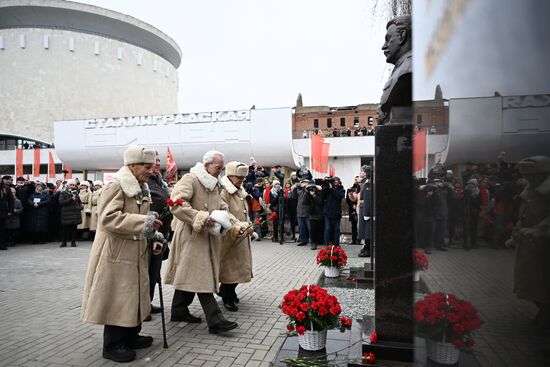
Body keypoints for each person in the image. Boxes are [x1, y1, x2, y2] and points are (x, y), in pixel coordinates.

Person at [81, 146, 165, 363]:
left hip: (135, 250)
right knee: (117, 296)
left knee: (133, 294)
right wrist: (144, 223)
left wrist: (153, 235)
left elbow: (143, 221)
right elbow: (108, 219)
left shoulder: (140, 186)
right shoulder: (116, 186)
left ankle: (130, 335)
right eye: (147, 167)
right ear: (133, 165)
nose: (152, 171)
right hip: (116, 252)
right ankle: (112, 345)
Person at [165, 150, 246, 334]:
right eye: (219, 167)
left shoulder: (215, 184)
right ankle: (216, 321)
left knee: (190, 274)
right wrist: (200, 217)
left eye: (222, 167)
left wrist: (237, 225)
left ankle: (178, 311)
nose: (221, 170)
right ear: (207, 165)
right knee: (202, 275)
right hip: (191, 237)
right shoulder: (190, 179)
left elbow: (223, 208)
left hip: (207, 238)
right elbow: (176, 204)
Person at [505, 156, 550, 335]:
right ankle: (543, 312)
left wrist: (539, 230)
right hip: (528, 245)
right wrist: (515, 235)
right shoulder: (530, 190)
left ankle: (545, 315)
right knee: (528, 284)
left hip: (543, 247)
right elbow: (523, 216)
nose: (528, 179)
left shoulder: (546, 192)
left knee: (542, 284)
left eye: (532, 175)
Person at [219, 161, 254, 312]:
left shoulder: (239, 189)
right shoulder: (223, 190)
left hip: (241, 233)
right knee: (230, 268)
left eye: (243, 178)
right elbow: (224, 210)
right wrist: (238, 224)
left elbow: (243, 211)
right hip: (230, 234)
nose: (241, 180)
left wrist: (248, 224)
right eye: (239, 177)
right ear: (230, 175)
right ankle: (227, 295)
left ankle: (229, 291)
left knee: (240, 267)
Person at [145, 152, 172, 321]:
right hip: (147, 234)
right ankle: (141, 307)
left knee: (154, 272)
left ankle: (147, 302)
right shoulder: (145, 182)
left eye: (158, 161)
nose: (157, 164)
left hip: (161, 234)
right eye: (153, 161)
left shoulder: (159, 182)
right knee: (146, 273)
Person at [378, 15, 412, 125]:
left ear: (402, 36)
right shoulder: (401, 67)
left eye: (388, 39)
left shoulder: (407, 70)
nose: (384, 46)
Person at [322, 177, 345, 246]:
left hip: (336, 213)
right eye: (333, 181)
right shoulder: (327, 189)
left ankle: (336, 244)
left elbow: (339, 196)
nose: (335, 182)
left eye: (336, 181)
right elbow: (322, 197)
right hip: (328, 213)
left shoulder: (341, 189)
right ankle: (326, 244)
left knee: (337, 230)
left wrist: (332, 189)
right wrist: (325, 187)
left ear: (339, 182)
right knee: (327, 229)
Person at [59, 179, 82, 247]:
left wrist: (80, 207)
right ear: (67, 185)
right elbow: (61, 202)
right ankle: (64, 242)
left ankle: (73, 242)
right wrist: (71, 199)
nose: (72, 186)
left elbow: (79, 202)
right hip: (66, 213)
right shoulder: (63, 193)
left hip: (75, 213)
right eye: (70, 185)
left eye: (73, 185)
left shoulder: (76, 193)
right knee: (65, 229)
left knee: (74, 229)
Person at [463, 178, 482, 251]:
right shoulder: (470, 190)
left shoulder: (472, 190)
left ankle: (470, 243)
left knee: (471, 228)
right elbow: (476, 202)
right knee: (470, 228)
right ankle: (469, 244)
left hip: (471, 212)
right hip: (470, 212)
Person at [357, 166, 371, 257]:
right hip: (363, 208)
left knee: (367, 231)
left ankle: (368, 249)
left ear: (365, 172)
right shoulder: (364, 182)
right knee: (364, 231)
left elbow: (368, 198)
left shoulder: (368, 182)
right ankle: (366, 247)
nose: (360, 172)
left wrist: (367, 213)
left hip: (365, 209)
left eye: (361, 171)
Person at [307, 183, 324, 250]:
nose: (313, 189)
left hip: (320, 214)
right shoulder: (308, 193)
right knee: (312, 230)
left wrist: (315, 195)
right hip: (312, 214)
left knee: (320, 229)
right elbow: (306, 202)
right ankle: (313, 243)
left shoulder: (320, 193)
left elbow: (320, 202)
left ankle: (320, 241)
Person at [0, 176, 15, 250]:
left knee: (2, 229)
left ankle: (2, 244)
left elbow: (11, 200)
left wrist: (10, 211)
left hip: (3, 212)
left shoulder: (6, 188)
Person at [295, 178, 311, 246]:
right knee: (302, 228)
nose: (303, 184)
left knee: (310, 228)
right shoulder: (299, 191)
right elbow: (294, 197)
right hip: (300, 212)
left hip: (307, 212)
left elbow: (307, 197)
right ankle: (303, 240)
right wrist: (294, 189)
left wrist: (306, 188)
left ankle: (312, 241)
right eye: (302, 182)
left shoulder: (309, 191)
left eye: (305, 182)